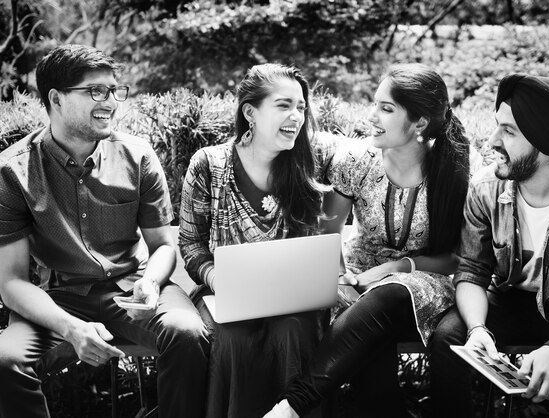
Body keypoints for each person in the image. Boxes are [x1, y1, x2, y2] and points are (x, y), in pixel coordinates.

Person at [0, 44, 210, 418]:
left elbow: (164, 246)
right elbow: (11, 282)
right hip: (58, 296)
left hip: (134, 287)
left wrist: (153, 282)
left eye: (115, 90)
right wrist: (70, 328)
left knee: (187, 332)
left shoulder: (138, 156)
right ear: (56, 99)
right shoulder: (12, 171)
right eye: (96, 90)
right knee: (6, 361)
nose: (111, 101)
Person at [264, 63, 474, 418]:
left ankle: (293, 405)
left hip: (424, 285)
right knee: (367, 337)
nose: (372, 115)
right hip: (359, 283)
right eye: (374, 103)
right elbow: (328, 236)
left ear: (420, 123)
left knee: (391, 292)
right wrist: (342, 278)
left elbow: (458, 259)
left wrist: (395, 268)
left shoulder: (455, 169)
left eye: (386, 109)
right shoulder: (357, 161)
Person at [429, 74, 549, 418]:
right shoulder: (485, 188)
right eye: (497, 126)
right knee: (449, 337)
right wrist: (477, 329)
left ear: (547, 144)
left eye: (509, 132)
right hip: (507, 299)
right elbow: (472, 272)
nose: (492, 141)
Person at [178, 63, 334, 418]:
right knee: (234, 336)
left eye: (301, 107)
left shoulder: (312, 163)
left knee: (293, 332)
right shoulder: (209, 165)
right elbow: (191, 245)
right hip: (224, 295)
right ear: (250, 112)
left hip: (294, 300)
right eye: (283, 105)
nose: (296, 116)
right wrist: (221, 281)